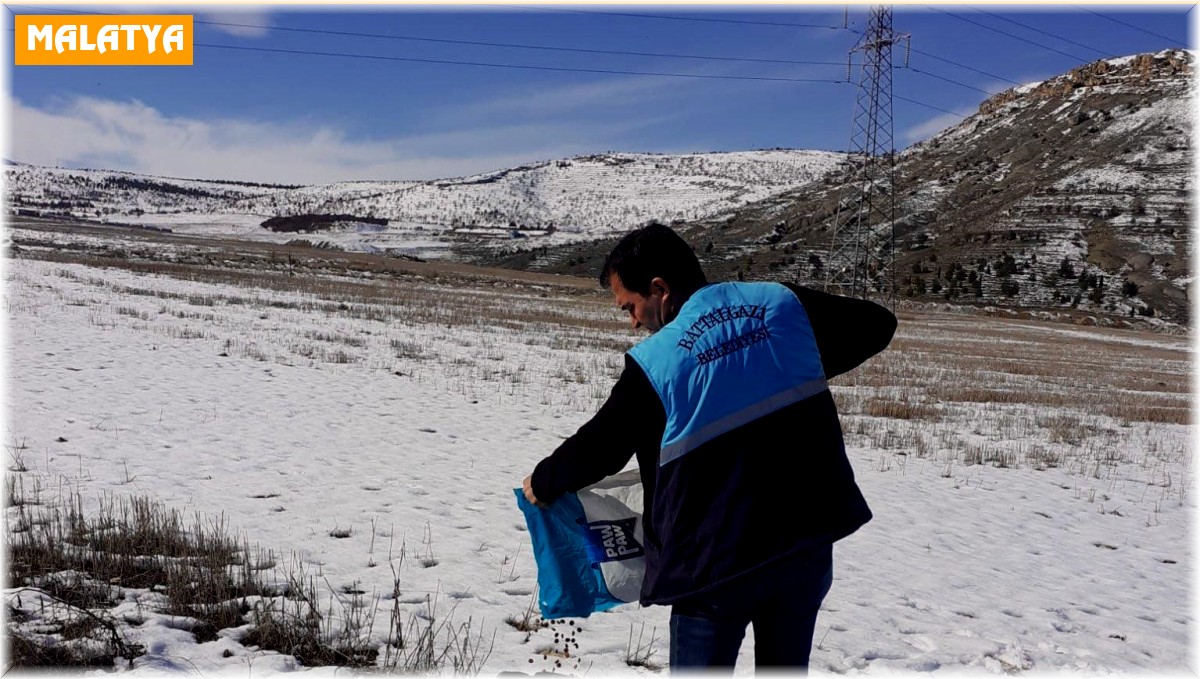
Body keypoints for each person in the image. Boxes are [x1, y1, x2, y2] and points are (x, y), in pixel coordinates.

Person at [522, 222, 896, 672]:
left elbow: (601, 446)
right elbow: (876, 324)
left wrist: (542, 482)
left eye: (631, 307)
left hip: (718, 568)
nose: (634, 321)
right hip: (804, 547)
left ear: (660, 288)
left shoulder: (658, 362)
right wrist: (780, 363)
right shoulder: (780, 306)